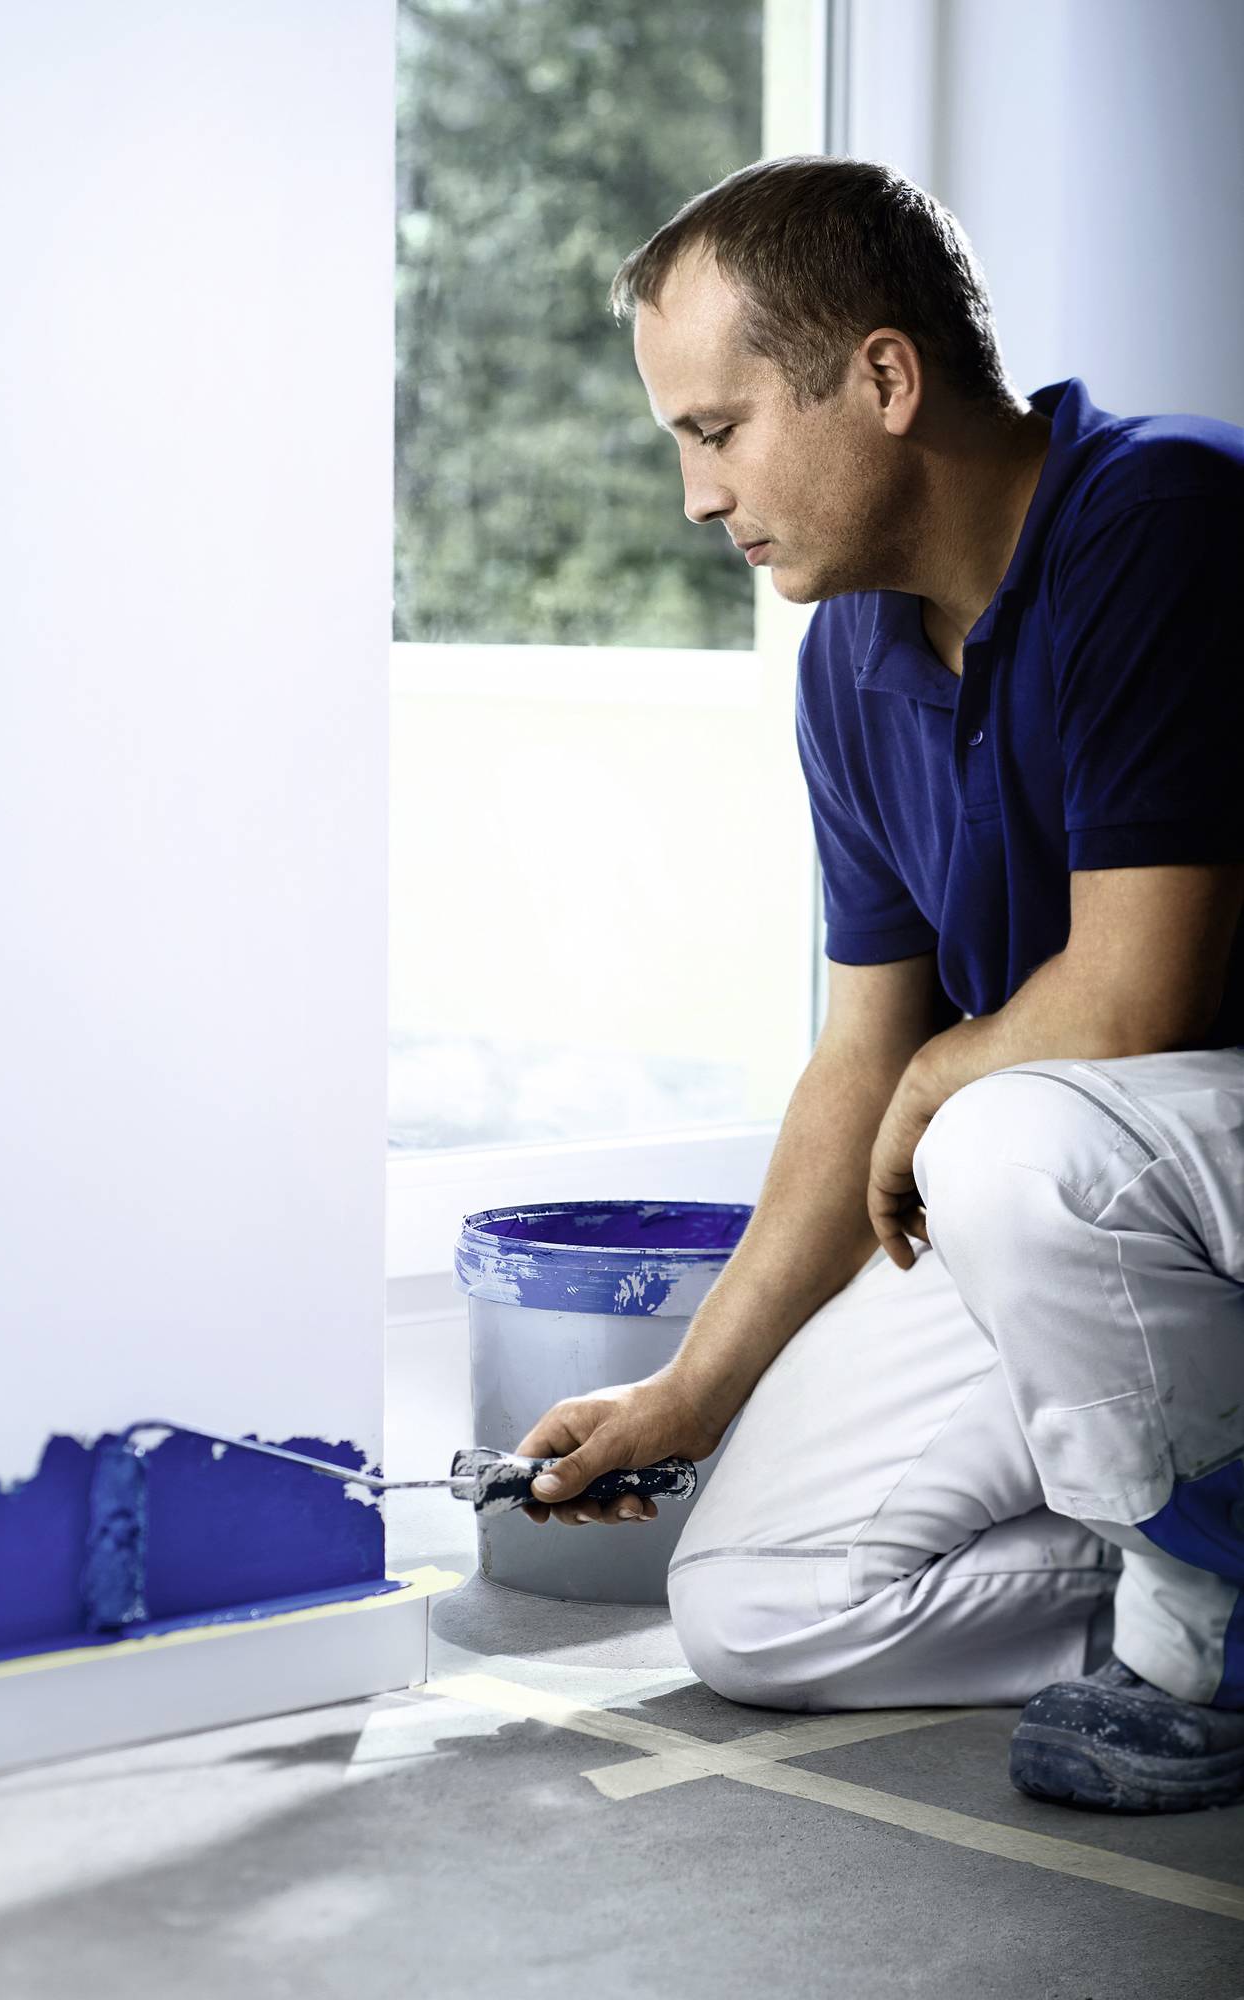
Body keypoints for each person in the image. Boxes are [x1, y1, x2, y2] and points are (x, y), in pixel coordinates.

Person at [513, 155, 1244, 1816]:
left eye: (718, 429)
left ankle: (1209, 1633)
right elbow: (865, 1053)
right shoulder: (851, 654)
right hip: (1092, 1216)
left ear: (886, 377)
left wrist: (934, 1087)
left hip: (1164, 1162)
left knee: (1001, 1139)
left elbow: (1134, 1002)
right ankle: (1178, 1558)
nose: (700, 497)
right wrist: (683, 1396)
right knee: (753, 1604)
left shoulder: (1165, 522)